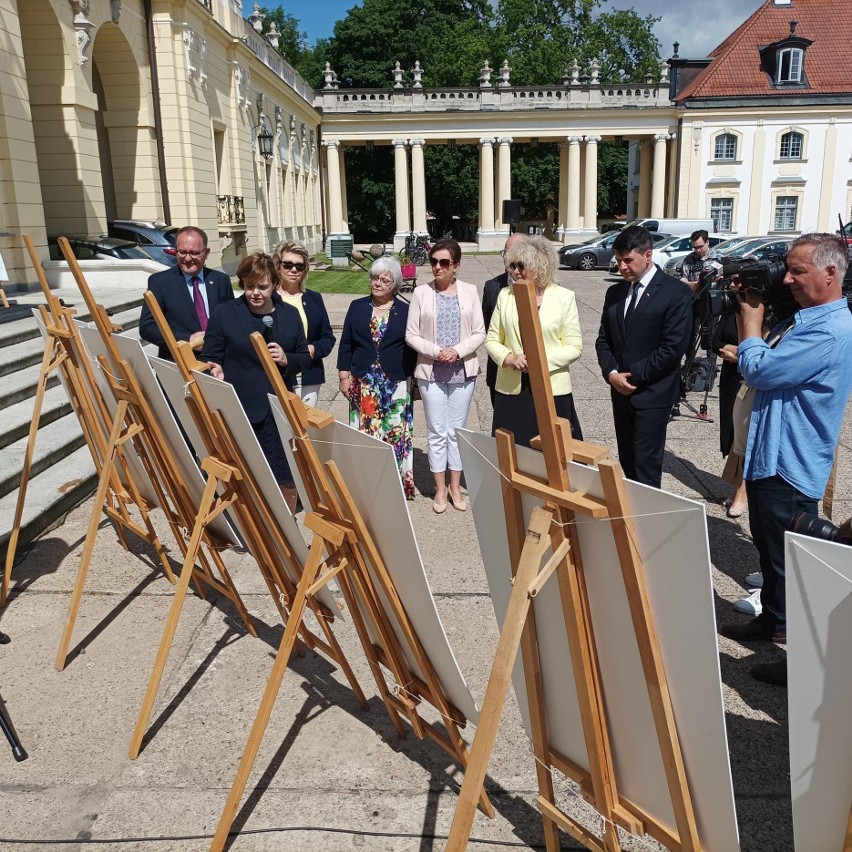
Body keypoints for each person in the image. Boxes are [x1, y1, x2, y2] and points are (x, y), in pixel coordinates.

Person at [719, 234, 852, 687]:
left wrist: (750, 323)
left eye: (798, 271)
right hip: (771, 456)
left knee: (791, 564)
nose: (788, 279)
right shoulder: (808, 319)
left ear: (831, 273)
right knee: (769, 549)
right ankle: (772, 620)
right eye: (788, 269)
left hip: (790, 465)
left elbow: (763, 370)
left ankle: (797, 658)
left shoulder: (829, 329)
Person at [201, 252, 311, 511]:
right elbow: (210, 356)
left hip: (277, 407)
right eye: (249, 286)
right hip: (239, 406)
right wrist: (213, 369)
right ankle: (246, 522)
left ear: (274, 283)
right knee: (243, 470)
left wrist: (286, 359)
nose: (255, 293)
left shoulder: (289, 315)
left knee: (283, 471)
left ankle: (284, 523)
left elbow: (304, 357)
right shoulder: (225, 313)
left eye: (262, 286)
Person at [595, 225, 693, 488]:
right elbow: (603, 340)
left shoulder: (675, 293)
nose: (622, 267)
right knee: (628, 463)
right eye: (618, 261)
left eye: (628, 260)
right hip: (620, 391)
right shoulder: (615, 293)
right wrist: (612, 374)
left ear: (648, 255)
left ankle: (649, 523)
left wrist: (633, 376)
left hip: (652, 393)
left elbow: (672, 348)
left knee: (646, 467)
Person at [405, 239, 485, 513]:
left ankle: (455, 486)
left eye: (444, 263)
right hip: (432, 372)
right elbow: (411, 334)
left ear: (456, 266)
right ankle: (440, 489)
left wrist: (457, 351)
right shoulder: (421, 294)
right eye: (434, 262)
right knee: (437, 432)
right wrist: (438, 351)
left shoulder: (470, 291)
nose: (437, 267)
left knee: (456, 431)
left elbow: (479, 332)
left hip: (462, 370)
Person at [486, 234, 583, 447]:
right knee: (511, 452)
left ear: (540, 266)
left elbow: (574, 347)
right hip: (513, 388)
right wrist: (509, 358)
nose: (515, 272)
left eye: (521, 266)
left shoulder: (564, 297)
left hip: (551, 388)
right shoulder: (505, 295)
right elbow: (492, 339)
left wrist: (538, 360)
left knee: (552, 451)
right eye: (512, 266)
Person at [337, 256, 417, 500]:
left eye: (385, 279)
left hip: (395, 382)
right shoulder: (357, 306)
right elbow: (346, 343)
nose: (378, 283)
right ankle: (365, 485)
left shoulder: (405, 311)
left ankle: (394, 485)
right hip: (364, 381)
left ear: (394, 285)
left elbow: (413, 347)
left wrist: (414, 379)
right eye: (375, 277)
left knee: (394, 432)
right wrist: (343, 375)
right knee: (364, 433)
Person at [139, 226, 234, 359]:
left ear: (206, 253)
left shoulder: (220, 280)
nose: (188, 258)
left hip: (218, 361)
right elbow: (147, 328)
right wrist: (187, 339)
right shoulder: (160, 283)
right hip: (179, 362)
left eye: (194, 253)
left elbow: (231, 320)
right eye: (182, 252)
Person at [272, 240, 335, 408]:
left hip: (309, 376)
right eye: (288, 265)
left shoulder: (313, 299)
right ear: (278, 266)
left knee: (306, 428)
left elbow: (328, 337)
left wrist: (314, 349)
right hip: (278, 376)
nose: (294, 270)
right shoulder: (269, 299)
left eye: (299, 266)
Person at [482, 233, 527, 405]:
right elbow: (488, 329)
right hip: (501, 370)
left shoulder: (546, 288)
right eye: (505, 252)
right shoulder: (492, 286)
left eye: (513, 252)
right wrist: (507, 357)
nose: (508, 258)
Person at [680, 229, 721, 293]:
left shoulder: (719, 257)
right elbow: (682, 278)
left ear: (707, 242)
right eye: (695, 247)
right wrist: (691, 284)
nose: (698, 250)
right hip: (695, 296)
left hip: (713, 295)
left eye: (700, 246)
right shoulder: (689, 259)